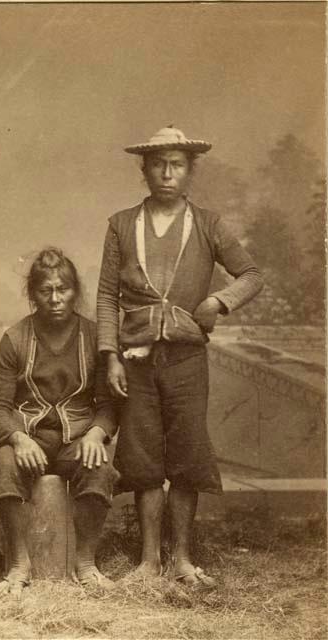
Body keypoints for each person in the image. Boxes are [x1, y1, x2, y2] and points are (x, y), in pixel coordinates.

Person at [97, 125, 263, 587]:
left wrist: (218, 302)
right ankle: (150, 561)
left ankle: (182, 559)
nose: (167, 172)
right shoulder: (121, 223)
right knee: (144, 454)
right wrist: (109, 355)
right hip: (135, 360)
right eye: (158, 164)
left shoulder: (208, 224)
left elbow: (250, 274)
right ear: (144, 169)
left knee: (188, 452)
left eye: (177, 164)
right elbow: (107, 296)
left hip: (188, 359)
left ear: (190, 171)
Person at [0, 247, 118, 597]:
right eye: (47, 291)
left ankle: (85, 562)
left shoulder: (93, 337)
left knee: (99, 466)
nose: (56, 299)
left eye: (64, 289)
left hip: (77, 439)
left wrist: (97, 434)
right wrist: (17, 439)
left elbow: (108, 405)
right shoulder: (14, 338)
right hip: (32, 439)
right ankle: (18, 564)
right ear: (34, 294)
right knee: (3, 463)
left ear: (76, 291)